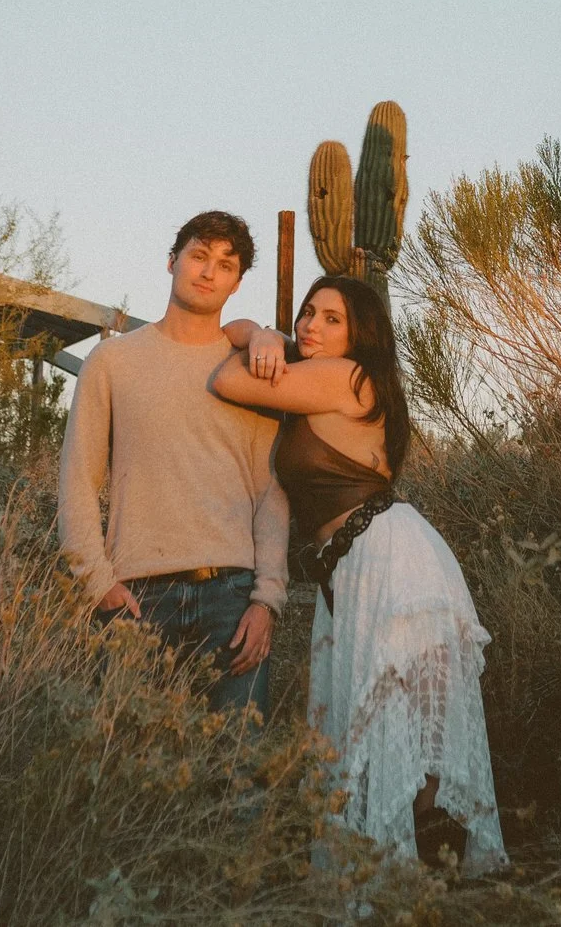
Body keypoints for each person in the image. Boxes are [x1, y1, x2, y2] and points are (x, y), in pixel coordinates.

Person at [212, 275, 506, 873]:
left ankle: (419, 880)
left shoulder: (344, 377)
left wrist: (265, 343)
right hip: (352, 568)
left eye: (330, 319)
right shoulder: (322, 377)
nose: (310, 328)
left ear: (359, 334)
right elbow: (230, 334)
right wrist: (266, 332)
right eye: (305, 315)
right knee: (376, 734)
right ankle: (403, 881)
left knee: (402, 738)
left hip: (388, 560)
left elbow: (226, 374)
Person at [59, 210, 285, 716]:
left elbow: (269, 492)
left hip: (231, 598)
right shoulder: (113, 361)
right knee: (131, 777)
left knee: (236, 774)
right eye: (199, 256)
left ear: (237, 282)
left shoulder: (247, 371)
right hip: (137, 600)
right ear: (172, 262)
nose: (209, 272)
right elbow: (77, 477)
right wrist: (96, 582)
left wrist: (266, 599)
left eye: (225, 265)